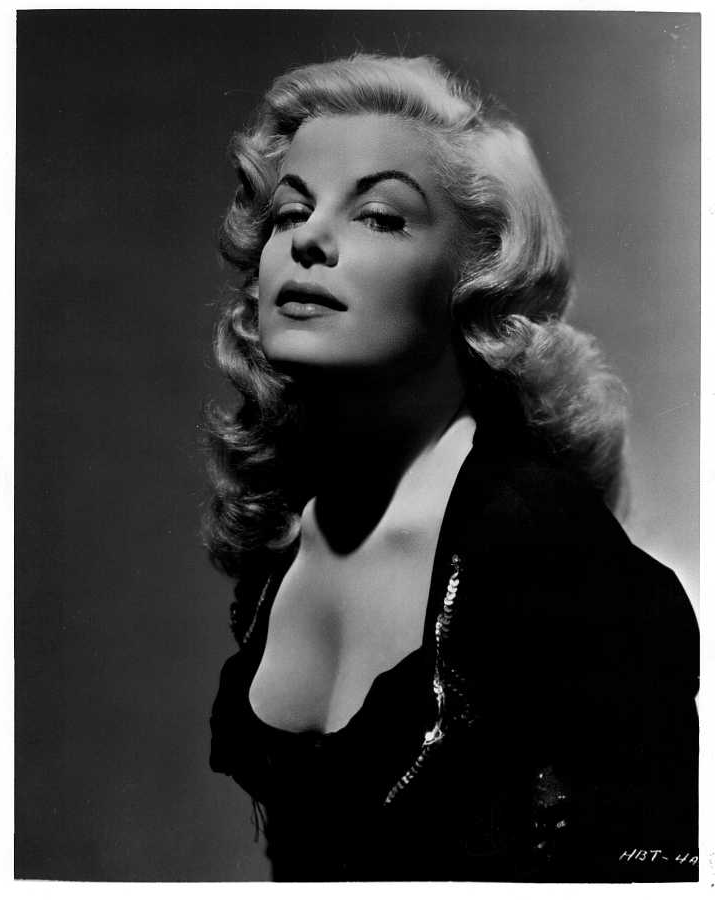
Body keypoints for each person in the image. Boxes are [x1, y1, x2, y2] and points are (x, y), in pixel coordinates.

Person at [205, 54, 698, 882]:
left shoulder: (545, 547)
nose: (308, 240)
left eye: (379, 217)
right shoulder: (283, 539)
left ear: (479, 276)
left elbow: (663, 869)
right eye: (291, 212)